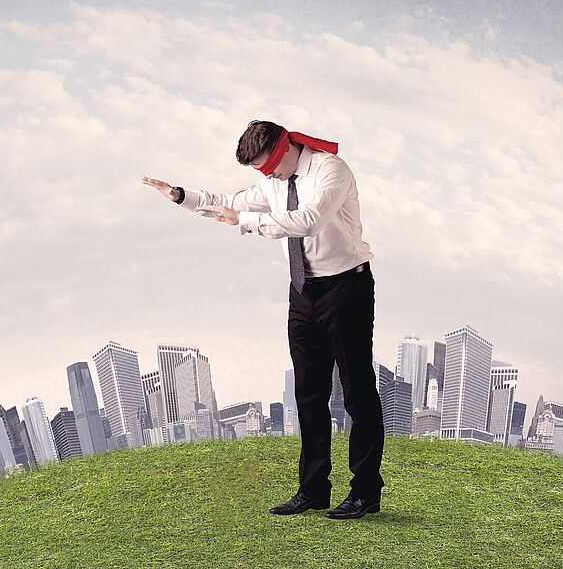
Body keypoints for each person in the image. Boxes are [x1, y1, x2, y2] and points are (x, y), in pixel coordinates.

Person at [141, 120, 384, 520]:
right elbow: (229, 202)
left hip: (346, 288)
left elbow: (308, 220)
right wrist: (181, 196)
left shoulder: (330, 170)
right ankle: (313, 490)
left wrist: (247, 223)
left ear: (286, 147)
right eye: (260, 170)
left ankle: (365, 493)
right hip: (303, 291)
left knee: (357, 392)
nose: (267, 175)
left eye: (268, 165)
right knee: (308, 394)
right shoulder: (273, 181)